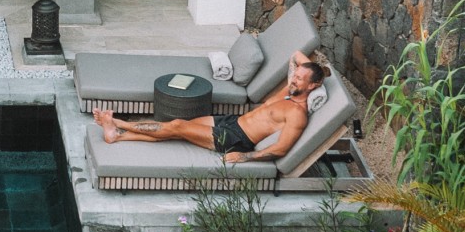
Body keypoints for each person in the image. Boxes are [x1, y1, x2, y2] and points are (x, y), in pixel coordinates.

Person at [97, 52, 330, 164]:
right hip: (231, 121)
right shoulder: (289, 92)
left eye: (300, 79)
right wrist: (324, 70)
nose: (294, 79)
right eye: (296, 76)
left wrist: (245, 157)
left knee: (178, 126)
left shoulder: (297, 114)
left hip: (235, 138)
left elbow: (281, 149)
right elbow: (295, 56)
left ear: (313, 85)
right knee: (176, 128)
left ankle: (118, 124)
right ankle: (116, 137)